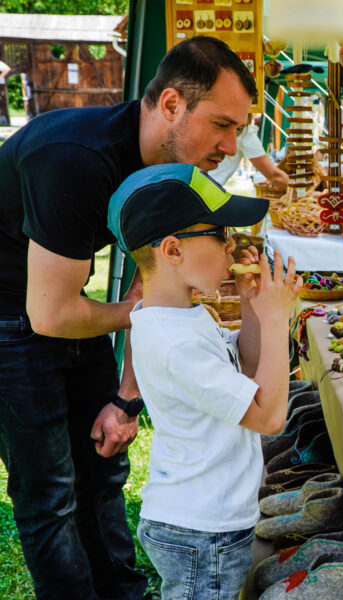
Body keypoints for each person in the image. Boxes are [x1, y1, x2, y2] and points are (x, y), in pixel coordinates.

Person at [0, 36, 257, 600]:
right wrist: (137, 314)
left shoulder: (171, 166)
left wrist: (125, 397)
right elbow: (52, 314)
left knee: (102, 470)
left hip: (57, 307)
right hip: (14, 317)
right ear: (171, 105)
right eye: (221, 124)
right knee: (50, 493)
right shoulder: (75, 157)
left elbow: (149, 292)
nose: (232, 146)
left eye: (239, 129)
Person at [107, 163, 301, 600]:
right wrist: (275, 319)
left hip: (205, 518)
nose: (233, 247)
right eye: (221, 235)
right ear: (173, 250)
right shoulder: (175, 342)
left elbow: (247, 369)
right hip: (201, 530)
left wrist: (253, 309)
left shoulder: (182, 315)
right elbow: (268, 417)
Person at [208, 114, 289, 188]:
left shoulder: (213, 122)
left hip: (204, 186)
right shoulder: (245, 132)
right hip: (207, 188)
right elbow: (274, 175)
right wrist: (297, 190)